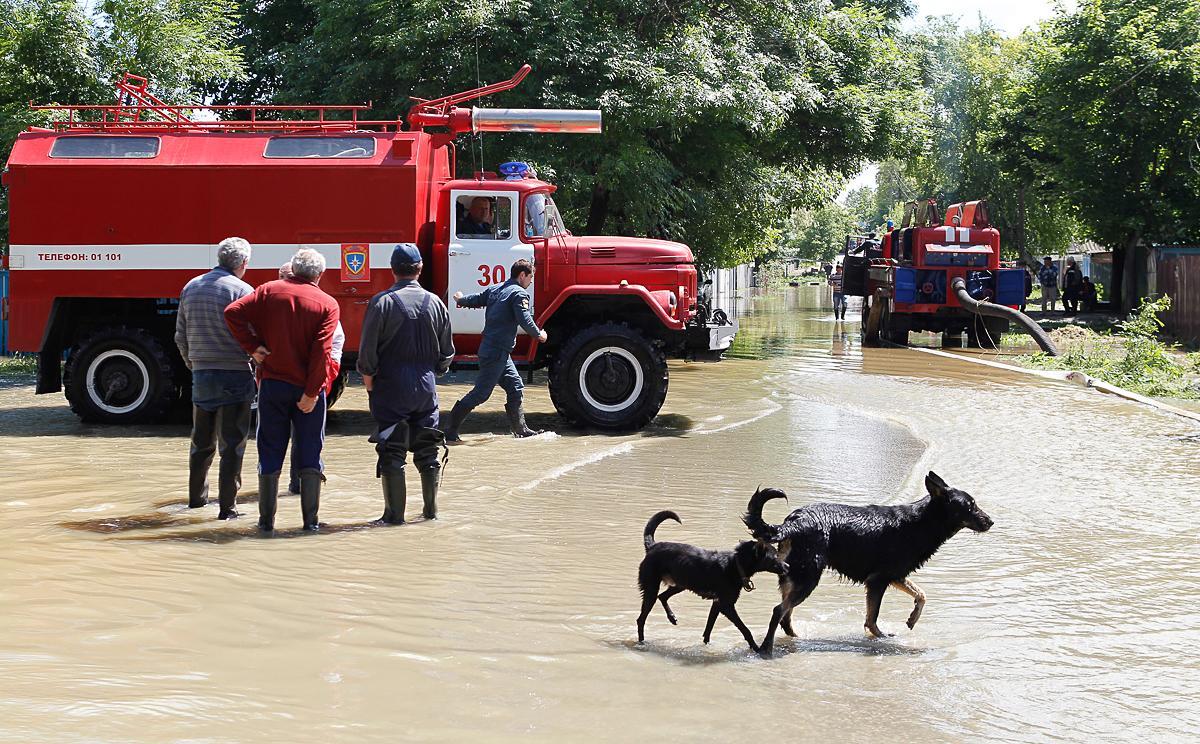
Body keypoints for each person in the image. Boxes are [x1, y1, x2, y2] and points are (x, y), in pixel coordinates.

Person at [225, 248, 340, 532]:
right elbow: (322, 352)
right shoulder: (327, 303)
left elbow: (232, 312)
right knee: (311, 451)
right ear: (319, 275)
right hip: (306, 390)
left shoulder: (267, 291)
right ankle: (309, 524)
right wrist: (313, 393)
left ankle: (266, 524)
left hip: (273, 386)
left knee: (269, 450)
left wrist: (253, 347)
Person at [357, 244, 455, 523]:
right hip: (425, 387)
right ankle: (430, 514)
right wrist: (433, 372)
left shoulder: (381, 302)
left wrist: (369, 382)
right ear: (420, 269)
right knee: (428, 450)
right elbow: (447, 352)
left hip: (390, 387)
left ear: (392, 269)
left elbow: (367, 355)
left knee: (392, 451)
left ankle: (393, 518)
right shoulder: (436, 303)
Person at [174, 237, 255, 519]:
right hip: (235, 374)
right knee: (232, 445)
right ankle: (228, 510)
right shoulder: (243, 290)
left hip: (202, 373)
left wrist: (194, 364)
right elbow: (252, 337)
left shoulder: (191, 287)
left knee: (201, 443)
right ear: (243, 263)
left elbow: (180, 334)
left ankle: (196, 501)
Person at [444, 258, 547, 441]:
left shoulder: (496, 289)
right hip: (495, 353)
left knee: (516, 387)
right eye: (530, 277)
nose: (531, 282)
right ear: (522, 275)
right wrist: (539, 334)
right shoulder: (519, 294)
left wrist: (460, 299)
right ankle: (450, 431)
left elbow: (476, 299)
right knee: (481, 394)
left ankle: (521, 431)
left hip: (497, 351)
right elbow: (525, 319)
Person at [274, 262, 346, 496]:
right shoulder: (270, 302)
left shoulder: (320, 303)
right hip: (281, 381)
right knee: (273, 440)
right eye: (281, 276)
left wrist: (328, 374)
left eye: (287, 276)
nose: (284, 281)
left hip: (312, 382)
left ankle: (302, 490)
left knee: (309, 440)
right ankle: (298, 506)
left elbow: (335, 343)